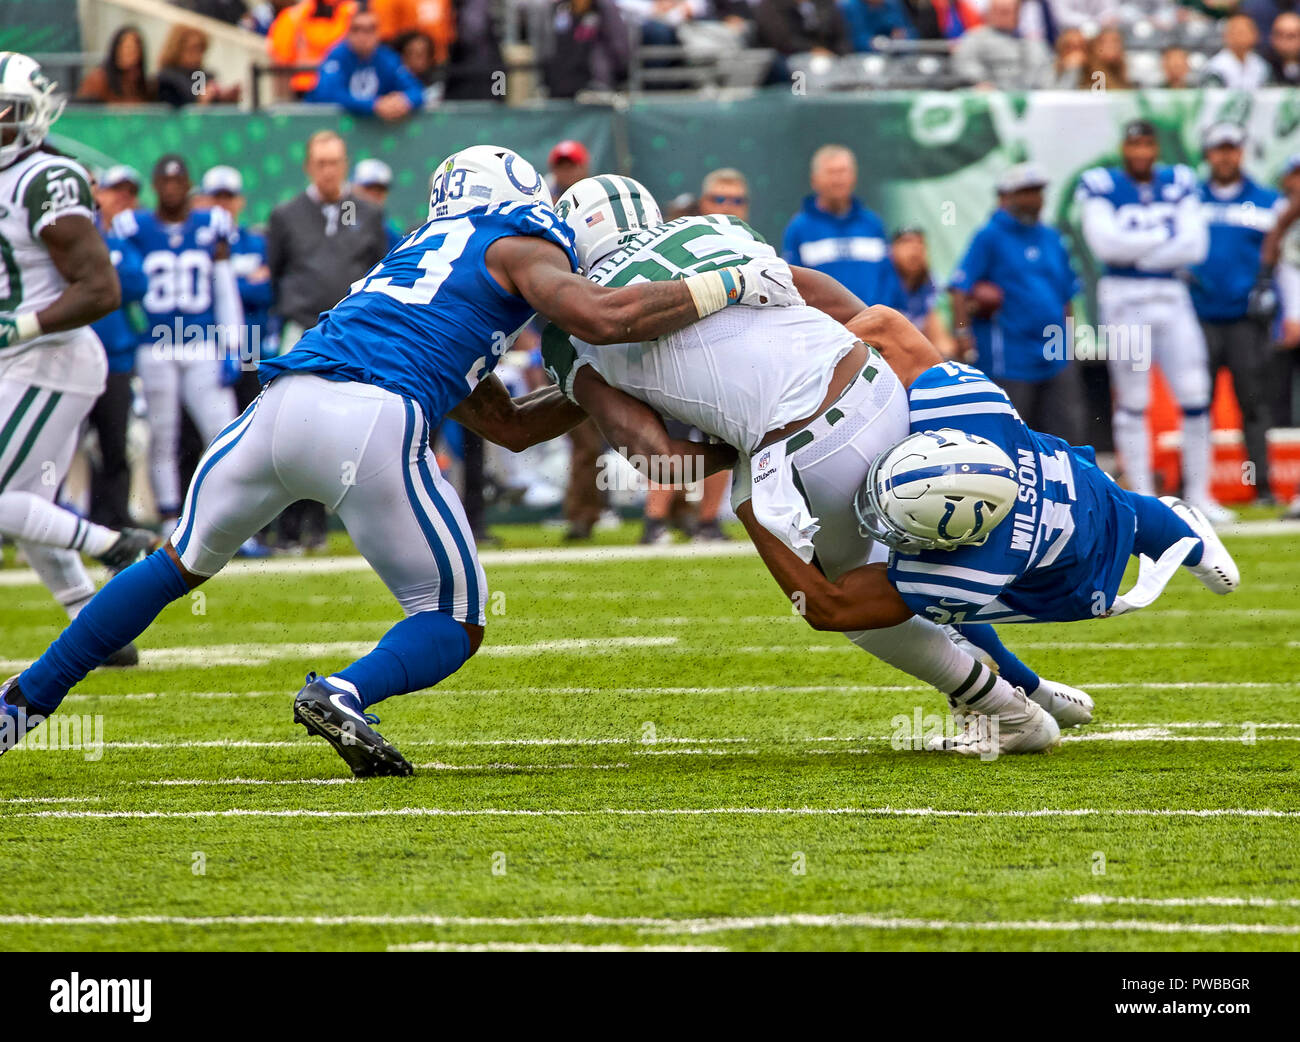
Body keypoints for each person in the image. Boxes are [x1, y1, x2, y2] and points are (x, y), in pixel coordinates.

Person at [0, 145, 802, 772]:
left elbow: (511, 426)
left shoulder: (416, 258)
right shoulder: (517, 242)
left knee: (175, 565)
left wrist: (588, 389)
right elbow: (601, 313)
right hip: (369, 418)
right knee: (454, 618)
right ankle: (343, 691)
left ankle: (24, 702)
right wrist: (730, 283)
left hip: (280, 405)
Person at [545, 175, 1090, 757]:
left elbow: (660, 461)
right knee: (917, 550)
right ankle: (1026, 683)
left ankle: (1006, 710)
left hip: (803, 448)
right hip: (872, 379)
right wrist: (852, 360)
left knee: (844, 602)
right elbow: (813, 291)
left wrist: (740, 449)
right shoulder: (715, 228)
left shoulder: (571, 324)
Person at [733, 303, 1238, 755]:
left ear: (961, 543)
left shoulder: (965, 569)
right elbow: (883, 324)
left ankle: (1028, 683)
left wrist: (751, 504)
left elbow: (832, 607)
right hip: (1072, 482)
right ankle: (1036, 685)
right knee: (1124, 506)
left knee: (949, 612)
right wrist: (806, 370)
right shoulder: (965, 404)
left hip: (1063, 572)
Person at [0, 54, 156, 667]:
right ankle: (100, 629)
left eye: (4, 110)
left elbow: (101, 289)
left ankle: (115, 542)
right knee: (22, 501)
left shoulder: (46, 178)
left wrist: (23, 322)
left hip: (52, 356)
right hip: (23, 357)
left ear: (32, 113)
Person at [1077, 120, 1223, 520]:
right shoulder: (1100, 183)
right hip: (1125, 299)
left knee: (1195, 394)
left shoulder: (1178, 180)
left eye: (1147, 144)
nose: (1141, 152)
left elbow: (1195, 246)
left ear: (1155, 147)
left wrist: (1137, 252)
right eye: (1134, 144)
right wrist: (1164, 239)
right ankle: (1141, 498)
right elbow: (1104, 244)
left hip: (1173, 295)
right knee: (1134, 400)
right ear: (1124, 148)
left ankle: (1200, 494)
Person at [266, 130, 390, 551]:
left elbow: (381, 274)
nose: (328, 171)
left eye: (335, 162)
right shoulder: (286, 215)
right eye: (320, 163)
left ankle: (320, 524)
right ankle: (287, 525)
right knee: (290, 426)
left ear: (346, 165)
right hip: (302, 328)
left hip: (351, 332)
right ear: (308, 167)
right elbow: (276, 271)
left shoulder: (367, 214)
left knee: (340, 426)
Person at [113, 156, 244, 533]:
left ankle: (227, 519)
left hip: (201, 343)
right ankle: (171, 521)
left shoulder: (212, 224)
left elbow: (224, 287)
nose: (171, 188)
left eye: (178, 181)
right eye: (164, 182)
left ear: (188, 184)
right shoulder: (131, 226)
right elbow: (124, 285)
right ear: (156, 185)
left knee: (224, 431)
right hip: (155, 344)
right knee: (163, 435)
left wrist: (233, 345)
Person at [949, 162, 1083, 444]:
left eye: (1037, 191)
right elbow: (959, 289)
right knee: (1010, 436)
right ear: (1005, 197)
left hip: (1054, 353)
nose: (1034, 199)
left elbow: (1066, 293)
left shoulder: (1050, 236)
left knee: (1066, 432)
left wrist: (1068, 341)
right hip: (1009, 356)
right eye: (1025, 192)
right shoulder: (990, 236)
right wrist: (962, 333)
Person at [1190, 123, 1287, 507]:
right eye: (1218, 149)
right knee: (1196, 402)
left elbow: (1284, 265)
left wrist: (1288, 310)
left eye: (1231, 148)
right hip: (1198, 316)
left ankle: (1262, 486)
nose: (1225, 156)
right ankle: (1195, 488)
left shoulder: (1266, 200)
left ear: (1241, 151)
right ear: (1208, 154)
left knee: (1254, 401)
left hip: (1246, 318)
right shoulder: (1189, 198)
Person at [88, 170, 148, 534]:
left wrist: (104, 270)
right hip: (72, 357)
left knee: (116, 445)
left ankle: (115, 522)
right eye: (114, 192)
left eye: (129, 194)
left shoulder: (125, 239)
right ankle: (49, 524)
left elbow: (136, 282)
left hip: (116, 358)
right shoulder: (79, 232)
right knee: (59, 448)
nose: (122, 200)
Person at [782, 145, 906, 312]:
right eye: (831, 173)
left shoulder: (872, 224)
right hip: (825, 331)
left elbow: (888, 280)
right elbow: (793, 286)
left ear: (854, 176)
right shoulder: (799, 229)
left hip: (874, 329)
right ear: (814, 180)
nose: (838, 179)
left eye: (843, 171)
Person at [306, 9, 426, 119]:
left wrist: (403, 101)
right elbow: (326, 93)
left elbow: (416, 90)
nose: (362, 36)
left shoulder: (387, 58)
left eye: (369, 30)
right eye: (356, 29)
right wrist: (374, 105)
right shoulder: (337, 56)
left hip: (377, 132)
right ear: (347, 33)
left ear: (378, 33)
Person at [952, 0, 1052, 90]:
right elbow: (965, 64)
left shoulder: (1031, 42)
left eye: (1007, 12)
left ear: (1017, 13)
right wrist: (983, 82)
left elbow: (1043, 69)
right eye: (997, 11)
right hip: (989, 93)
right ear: (989, 12)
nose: (1001, 16)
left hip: (1025, 93)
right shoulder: (974, 38)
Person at [268, 0, 359, 95]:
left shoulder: (352, 13)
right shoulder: (293, 16)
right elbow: (281, 59)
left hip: (341, 85)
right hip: (307, 86)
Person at [890, 226, 952, 355]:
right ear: (892, 249)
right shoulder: (881, 281)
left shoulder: (934, 283)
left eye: (920, 243)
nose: (915, 248)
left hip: (921, 354)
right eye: (906, 242)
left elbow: (942, 339)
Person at [156, 25, 241, 107]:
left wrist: (226, 100)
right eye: (193, 48)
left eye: (201, 49)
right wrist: (200, 102)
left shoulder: (206, 76)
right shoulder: (166, 80)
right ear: (177, 48)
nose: (197, 55)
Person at [75, 25, 156, 104]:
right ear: (116, 51)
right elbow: (85, 111)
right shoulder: (98, 81)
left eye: (134, 50)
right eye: (127, 48)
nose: (130, 54)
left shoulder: (143, 86)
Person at [1201, 14, 1271, 88]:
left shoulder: (1261, 64)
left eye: (1247, 31)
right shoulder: (1216, 67)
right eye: (1239, 32)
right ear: (1226, 35)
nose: (1243, 36)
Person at [352, 158, 406, 250]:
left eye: (381, 190)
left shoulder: (389, 233)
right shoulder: (338, 220)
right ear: (354, 188)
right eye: (369, 189)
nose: (375, 195)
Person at [840, 0, 915, 52]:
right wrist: (877, 43)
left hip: (897, 57)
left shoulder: (893, 4)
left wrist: (902, 36)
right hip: (864, 60)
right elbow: (856, 40)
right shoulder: (850, 7)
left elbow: (911, 33)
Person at [1267, 11, 1300, 83]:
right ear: (1271, 38)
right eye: (1279, 35)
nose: (1284, 41)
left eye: (1291, 36)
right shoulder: (1261, 66)